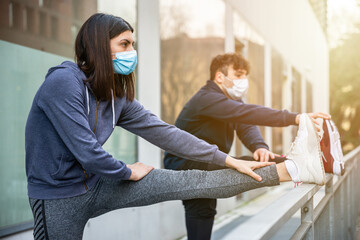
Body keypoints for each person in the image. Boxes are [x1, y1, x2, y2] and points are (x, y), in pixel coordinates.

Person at [25, 14, 328, 240]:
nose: (132, 52)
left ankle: (292, 170)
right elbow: (87, 151)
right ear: (99, 46)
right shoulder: (63, 84)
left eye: (133, 44)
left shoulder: (118, 97)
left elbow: (165, 133)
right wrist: (127, 171)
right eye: (124, 44)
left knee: (193, 182)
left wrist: (225, 158)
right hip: (58, 196)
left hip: (98, 183)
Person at [163, 53, 331, 240]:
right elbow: (247, 113)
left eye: (245, 76)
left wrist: (259, 146)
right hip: (188, 166)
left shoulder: (229, 101)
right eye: (239, 75)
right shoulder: (207, 98)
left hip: (207, 161)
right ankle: (303, 166)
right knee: (249, 168)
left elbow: (245, 124)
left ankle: (307, 165)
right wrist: (295, 117)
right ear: (220, 77)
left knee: (203, 210)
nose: (244, 81)